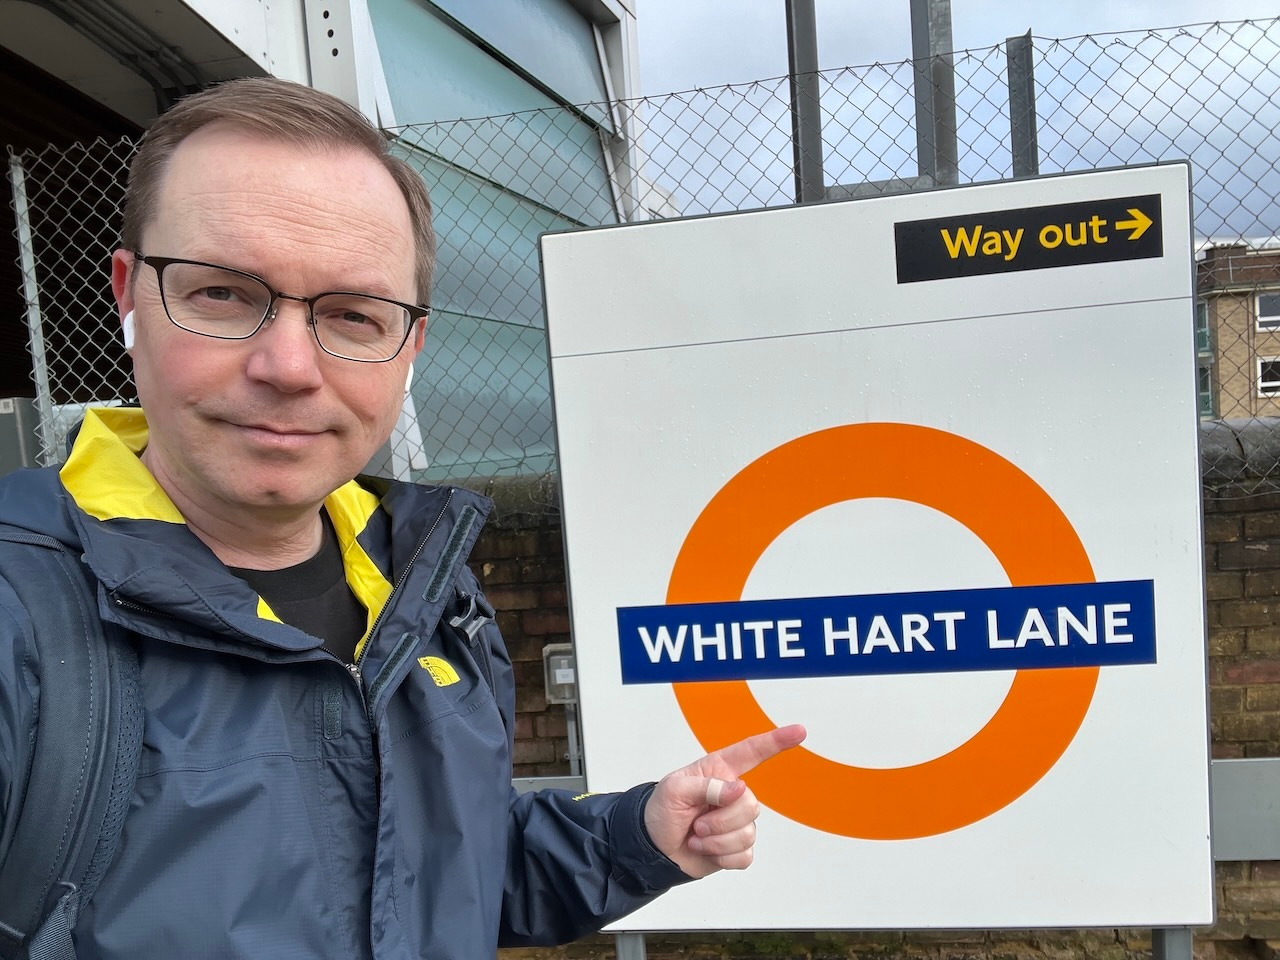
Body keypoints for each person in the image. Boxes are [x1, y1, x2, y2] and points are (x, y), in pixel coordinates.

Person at [0, 77, 805, 959]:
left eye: (351, 314)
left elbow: (430, 885)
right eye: (223, 294)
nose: (289, 366)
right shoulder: (20, 612)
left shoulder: (426, 588)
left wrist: (634, 839)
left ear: (411, 343)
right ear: (128, 293)